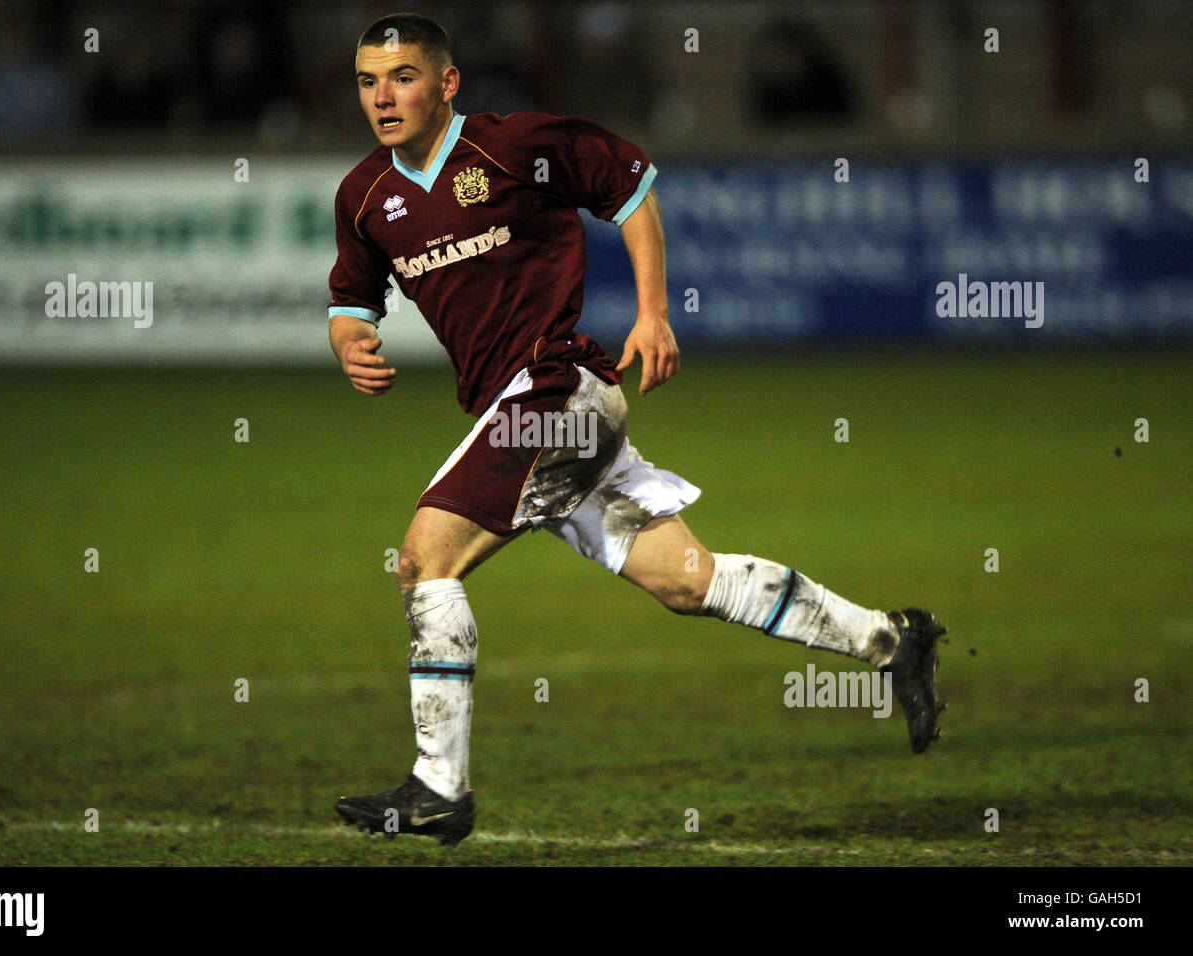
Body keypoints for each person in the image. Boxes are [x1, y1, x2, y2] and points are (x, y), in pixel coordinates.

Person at [329, 14, 946, 847]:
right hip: (537, 415)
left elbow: (632, 185)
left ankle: (440, 787)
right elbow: (353, 299)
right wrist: (350, 342)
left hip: (557, 390)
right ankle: (891, 639)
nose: (382, 97)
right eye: (368, 81)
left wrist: (653, 314)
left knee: (423, 560)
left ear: (446, 84)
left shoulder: (517, 146)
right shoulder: (367, 196)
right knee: (687, 581)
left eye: (402, 77)